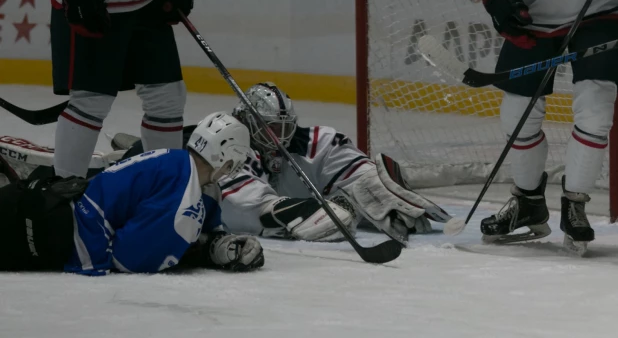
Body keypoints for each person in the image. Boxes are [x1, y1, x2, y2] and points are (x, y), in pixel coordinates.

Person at [114, 83, 456, 244]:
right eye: (268, 129)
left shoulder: (307, 141)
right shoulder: (229, 151)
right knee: (130, 167)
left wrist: (367, 180)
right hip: (160, 167)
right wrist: (302, 211)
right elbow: (247, 208)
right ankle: (126, 152)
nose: (277, 138)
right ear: (246, 122)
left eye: (283, 129)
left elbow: (343, 160)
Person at [0, 112, 264, 275]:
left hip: (44, 202)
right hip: (43, 232)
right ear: (225, 157)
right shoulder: (184, 204)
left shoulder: (178, 162)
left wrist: (220, 242)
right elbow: (127, 260)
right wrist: (197, 251)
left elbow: (205, 219)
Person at [478, 0, 618, 254]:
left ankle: (574, 205)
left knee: (596, 110)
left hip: (603, 15)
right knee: (517, 114)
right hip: (533, 14)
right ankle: (528, 203)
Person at [50, 0, 193, 178]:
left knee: (167, 97)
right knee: (92, 100)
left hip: (148, 3)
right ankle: (64, 191)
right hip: (94, 2)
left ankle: (165, 188)